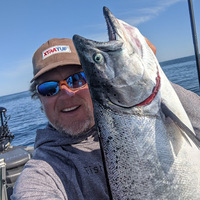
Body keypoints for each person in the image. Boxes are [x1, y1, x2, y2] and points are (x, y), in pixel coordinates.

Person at [11, 37, 200, 200]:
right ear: (40, 99)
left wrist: (150, 77)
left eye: (77, 79)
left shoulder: (146, 113)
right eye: (49, 88)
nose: (66, 93)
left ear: (96, 82)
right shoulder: (43, 172)